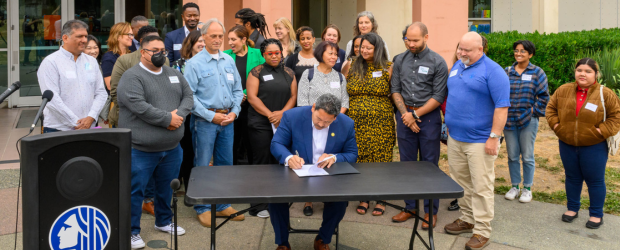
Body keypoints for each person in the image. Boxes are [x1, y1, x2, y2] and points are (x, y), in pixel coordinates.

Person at [117, 35, 193, 249]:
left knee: (166, 188)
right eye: (155, 50)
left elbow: (188, 96)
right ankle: (131, 231)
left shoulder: (173, 74)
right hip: (140, 149)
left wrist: (178, 115)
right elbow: (138, 105)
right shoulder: (132, 77)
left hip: (171, 148)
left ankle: (164, 221)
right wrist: (167, 119)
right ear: (143, 52)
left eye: (163, 50)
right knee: (135, 191)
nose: (161, 54)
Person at [443, 32, 510, 250]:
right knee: (461, 183)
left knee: (481, 186)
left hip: (481, 140)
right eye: (460, 48)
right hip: (455, 138)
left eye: (467, 50)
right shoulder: (457, 66)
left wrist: (494, 137)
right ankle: (467, 218)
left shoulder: (493, 71)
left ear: (480, 50)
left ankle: (482, 230)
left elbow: (501, 107)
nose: (461, 53)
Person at [269, 94, 358, 250]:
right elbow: (276, 143)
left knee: (340, 201)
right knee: (275, 198)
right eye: (318, 118)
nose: (321, 124)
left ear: (335, 118)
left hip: (327, 174)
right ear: (313, 107)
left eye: (327, 122)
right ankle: (282, 242)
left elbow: (352, 154)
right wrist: (289, 157)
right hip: (295, 172)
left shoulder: (347, 123)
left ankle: (323, 239)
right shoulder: (292, 116)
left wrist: (335, 157)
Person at [183, 18, 245, 227]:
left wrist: (234, 112)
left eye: (221, 36)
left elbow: (237, 90)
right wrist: (211, 116)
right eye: (213, 36)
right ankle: (202, 207)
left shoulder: (229, 60)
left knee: (225, 165)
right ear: (204, 36)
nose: (218, 40)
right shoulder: (193, 64)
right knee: (202, 166)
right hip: (205, 121)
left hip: (228, 120)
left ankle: (222, 205)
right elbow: (189, 97)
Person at [547, 58, 620, 229]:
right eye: (580, 70)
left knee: (594, 180)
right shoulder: (563, 90)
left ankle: (596, 214)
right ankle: (572, 208)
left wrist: (599, 132)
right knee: (572, 177)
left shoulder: (606, 93)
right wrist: (558, 126)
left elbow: (616, 117)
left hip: (594, 145)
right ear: (575, 72)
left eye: (588, 71)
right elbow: (550, 109)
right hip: (567, 143)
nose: (583, 74)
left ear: (596, 74)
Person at [390, 23, 448, 229]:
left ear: (426, 37)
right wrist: (406, 115)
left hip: (429, 118)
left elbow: (438, 95)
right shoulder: (399, 60)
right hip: (405, 116)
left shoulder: (438, 62)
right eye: (408, 39)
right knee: (407, 165)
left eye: (415, 40)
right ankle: (410, 208)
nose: (411, 44)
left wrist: (415, 115)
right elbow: (395, 89)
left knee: (429, 165)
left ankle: (429, 211)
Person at [347, 32, 394, 216]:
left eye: (368, 48)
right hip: (356, 122)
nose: (363, 51)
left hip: (381, 123)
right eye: (361, 47)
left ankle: (381, 198)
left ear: (378, 48)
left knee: (381, 159)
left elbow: (394, 92)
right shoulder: (351, 66)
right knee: (361, 158)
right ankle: (364, 196)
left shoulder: (388, 67)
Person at [223, 25, 267, 217]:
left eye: (233, 39)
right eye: (229, 39)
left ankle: (253, 188)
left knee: (252, 147)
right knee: (231, 146)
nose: (230, 43)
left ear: (243, 39)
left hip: (252, 108)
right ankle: (233, 188)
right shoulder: (225, 55)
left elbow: (263, 78)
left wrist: (246, 94)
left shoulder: (258, 54)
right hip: (232, 108)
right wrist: (236, 97)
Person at [37, 20, 107, 133]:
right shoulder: (51, 62)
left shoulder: (91, 61)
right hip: (59, 129)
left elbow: (101, 92)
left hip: (89, 126)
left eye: (85, 36)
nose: (84, 40)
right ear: (65, 38)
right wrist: (77, 123)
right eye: (79, 36)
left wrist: (91, 117)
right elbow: (53, 100)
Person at [502, 40, 550, 203]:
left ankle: (527, 188)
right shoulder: (507, 72)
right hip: (508, 120)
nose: (519, 53)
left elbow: (544, 97)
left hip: (528, 120)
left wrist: (531, 111)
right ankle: (515, 186)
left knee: (527, 156)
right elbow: (499, 93)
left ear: (530, 54)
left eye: (523, 51)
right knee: (512, 155)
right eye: (516, 50)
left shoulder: (537, 72)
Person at [170, 29, 204, 196]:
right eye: (200, 41)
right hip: (182, 114)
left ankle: (192, 187)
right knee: (182, 149)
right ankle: (177, 184)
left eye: (205, 41)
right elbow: (173, 90)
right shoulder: (177, 65)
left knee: (193, 151)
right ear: (191, 43)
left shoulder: (208, 64)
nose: (203, 44)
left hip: (201, 114)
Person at [102, 22, 133, 94]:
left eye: (132, 35)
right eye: (128, 34)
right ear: (118, 37)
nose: (132, 37)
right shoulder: (109, 57)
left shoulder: (131, 54)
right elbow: (110, 85)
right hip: (118, 100)